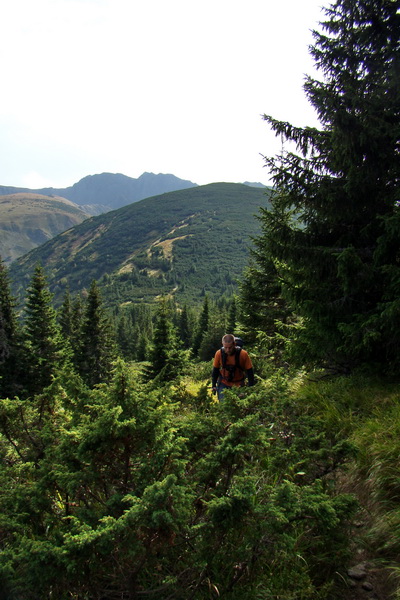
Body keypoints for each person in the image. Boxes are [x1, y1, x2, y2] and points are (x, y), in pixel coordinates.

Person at [211, 334, 254, 401]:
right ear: (222, 345)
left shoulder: (243, 354)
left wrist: (251, 388)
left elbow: (250, 372)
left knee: (240, 406)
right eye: (225, 347)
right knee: (223, 405)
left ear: (234, 344)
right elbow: (215, 370)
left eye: (230, 347)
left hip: (239, 384)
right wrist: (213, 385)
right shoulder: (219, 354)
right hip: (224, 383)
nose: (228, 350)